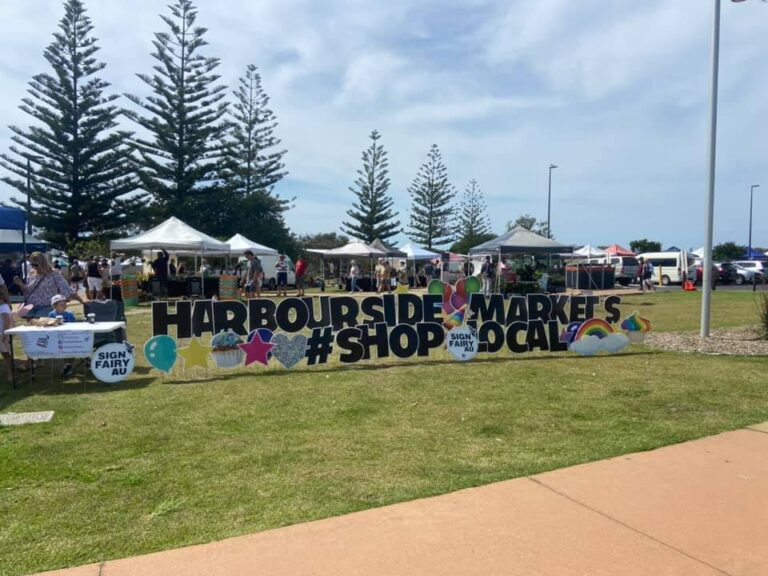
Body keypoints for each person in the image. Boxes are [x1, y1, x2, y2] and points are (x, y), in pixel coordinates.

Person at [13, 252, 85, 315]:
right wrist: (20, 284)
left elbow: (66, 289)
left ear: (43, 263)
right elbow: (27, 291)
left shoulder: (54, 274)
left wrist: (81, 301)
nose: (34, 267)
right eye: (32, 264)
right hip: (31, 308)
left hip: (46, 307)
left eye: (36, 265)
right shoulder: (31, 274)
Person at [0, 285, 14, 381]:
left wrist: (4, 335)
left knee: (5, 354)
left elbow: (7, 322)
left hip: (2, 334)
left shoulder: (3, 307)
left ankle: (10, 374)